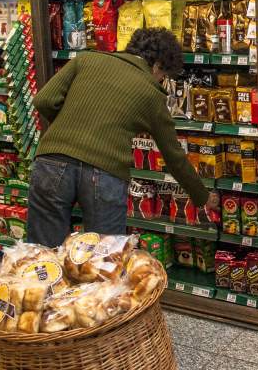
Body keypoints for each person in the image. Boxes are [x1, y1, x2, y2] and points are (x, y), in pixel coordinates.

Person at [27, 28, 212, 247]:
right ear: (157, 66)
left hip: (51, 161)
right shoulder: (151, 94)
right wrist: (202, 197)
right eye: (163, 76)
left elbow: (44, 100)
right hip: (106, 172)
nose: (161, 81)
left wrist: (70, 126)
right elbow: (174, 157)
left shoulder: (85, 60)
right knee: (104, 257)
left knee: (43, 251)